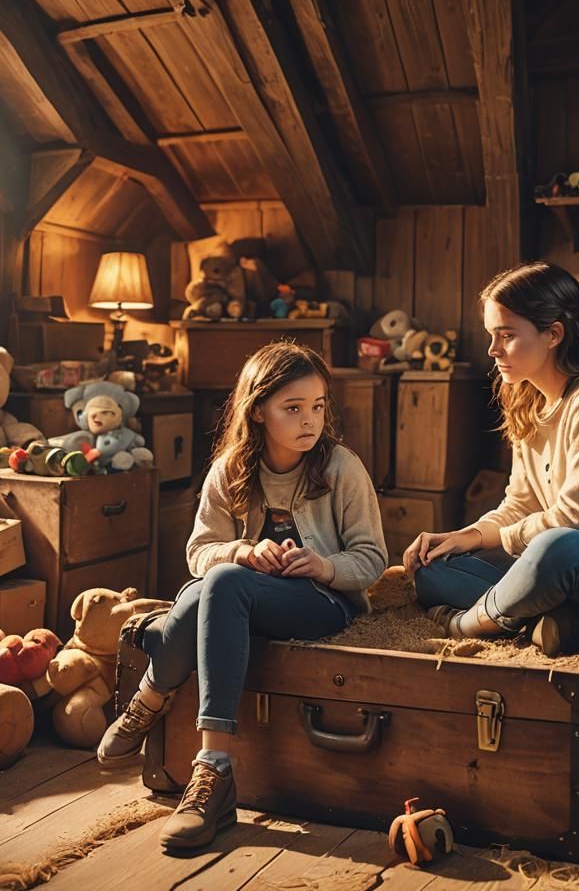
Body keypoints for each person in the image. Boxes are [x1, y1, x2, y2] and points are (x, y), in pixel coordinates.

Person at [98, 342, 387, 850]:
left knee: (217, 585)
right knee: (219, 580)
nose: (309, 420)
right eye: (292, 408)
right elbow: (199, 552)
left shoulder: (341, 468)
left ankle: (172, 721)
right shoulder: (231, 469)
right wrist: (243, 552)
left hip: (322, 604)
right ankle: (200, 754)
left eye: (318, 406)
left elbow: (372, 559)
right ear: (258, 410)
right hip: (245, 601)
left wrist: (323, 565)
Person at [404, 261, 579, 657]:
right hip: (557, 574)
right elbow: (521, 504)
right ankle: (549, 620)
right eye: (491, 335)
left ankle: (468, 622)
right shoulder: (527, 400)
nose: (492, 350)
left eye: (507, 335)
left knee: (556, 547)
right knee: (433, 570)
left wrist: (510, 546)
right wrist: (466, 537)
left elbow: (575, 524)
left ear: (553, 334)